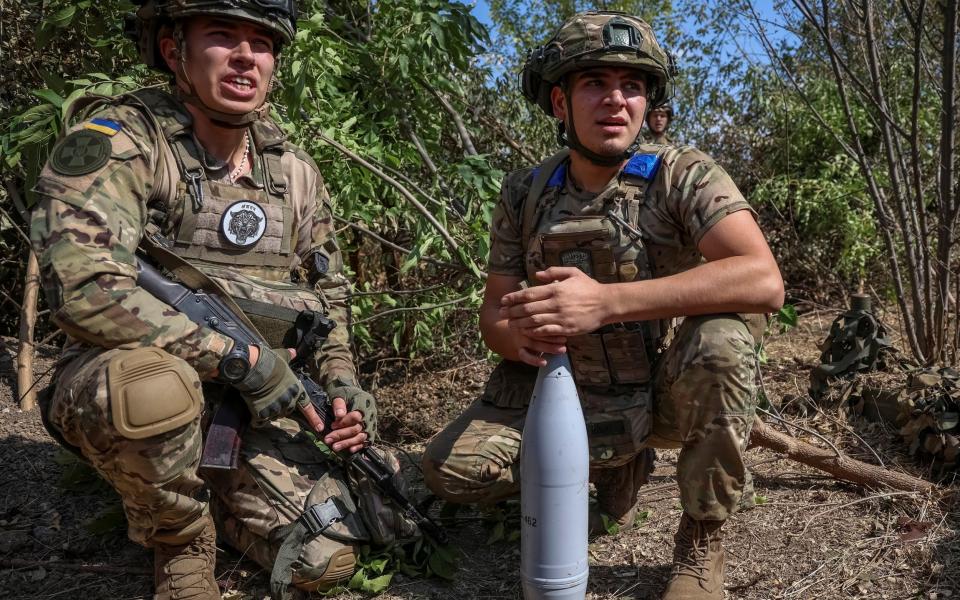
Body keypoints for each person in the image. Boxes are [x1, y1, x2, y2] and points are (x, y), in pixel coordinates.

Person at [29, 2, 416, 598]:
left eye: (261, 43)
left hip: (248, 402)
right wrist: (242, 362)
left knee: (322, 559)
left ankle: (211, 486)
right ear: (172, 49)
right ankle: (180, 545)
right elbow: (85, 289)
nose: (245, 56)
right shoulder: (122, 143)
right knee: (153, 390)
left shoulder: (293, 171)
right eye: (222, 35)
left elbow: (325, 300)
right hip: (128, 376)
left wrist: (340, 384)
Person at [421, 11, 783, 600]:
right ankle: (611, 469)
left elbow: (763, 279)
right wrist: (525, 333)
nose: (616, 100)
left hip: (661, 391)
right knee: (450, 472)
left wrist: (604, 304)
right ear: (560, 104)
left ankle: (702, 542)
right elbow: (493, 316)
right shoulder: (525, 191)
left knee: (723, 341)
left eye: (632, 86)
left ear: (646, 104)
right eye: (595, 84)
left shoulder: (681, 175)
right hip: (561, 391)